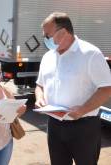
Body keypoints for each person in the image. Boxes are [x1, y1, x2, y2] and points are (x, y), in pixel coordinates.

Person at [35, 12, 111, 165]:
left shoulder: (90, 54)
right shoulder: (48, 57)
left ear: (63, 32)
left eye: (47, 35)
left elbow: (106, 88)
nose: (45, 40)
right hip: (55, 125)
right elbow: (40, 85)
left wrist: (82, 110)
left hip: (84, 127)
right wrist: (39, 97)